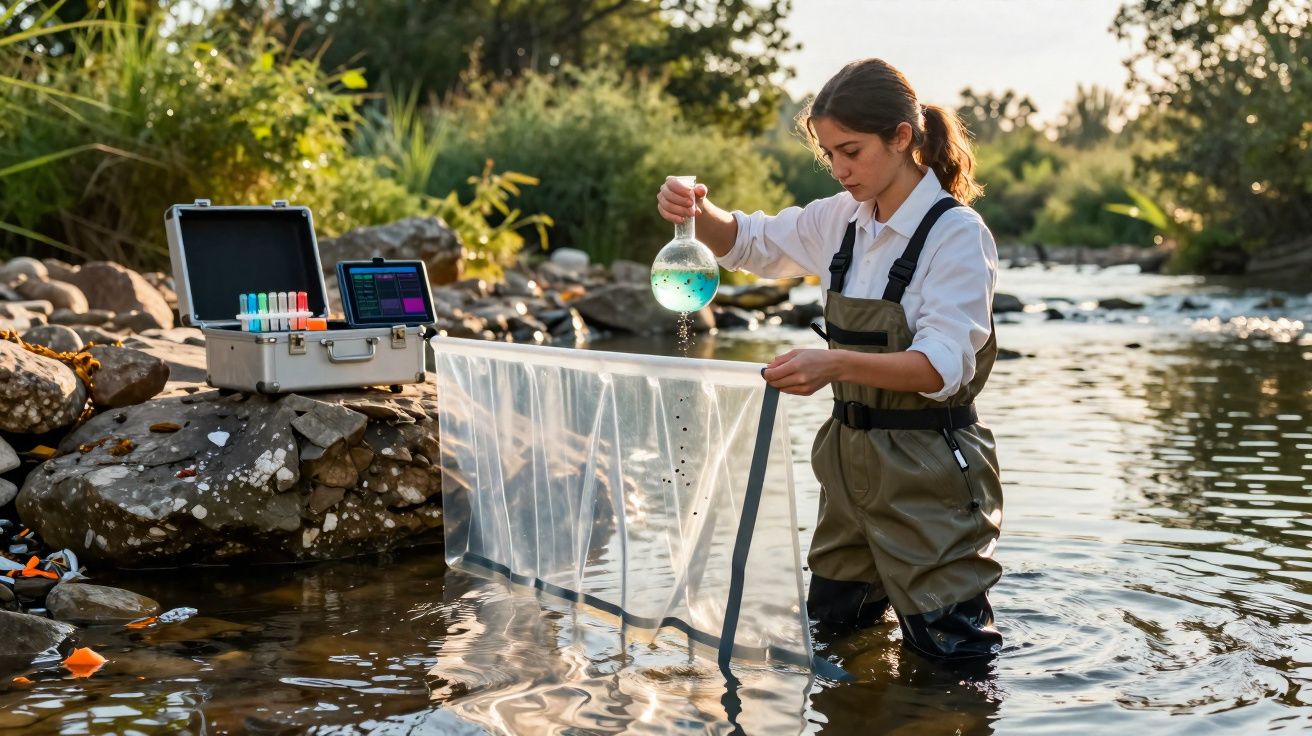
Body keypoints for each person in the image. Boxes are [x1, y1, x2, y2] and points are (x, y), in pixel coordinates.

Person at [656, 58, 1004, 661]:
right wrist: (694, 212)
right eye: (829, 154)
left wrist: (833, 365)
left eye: (851, 151)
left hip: (930, 475)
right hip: (846, 470)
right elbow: (747, 242)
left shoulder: (957, 235)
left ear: (901, 137)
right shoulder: (839, 218)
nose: (840, 170)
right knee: (837, 637)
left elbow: (940, 367)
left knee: (953, 659)